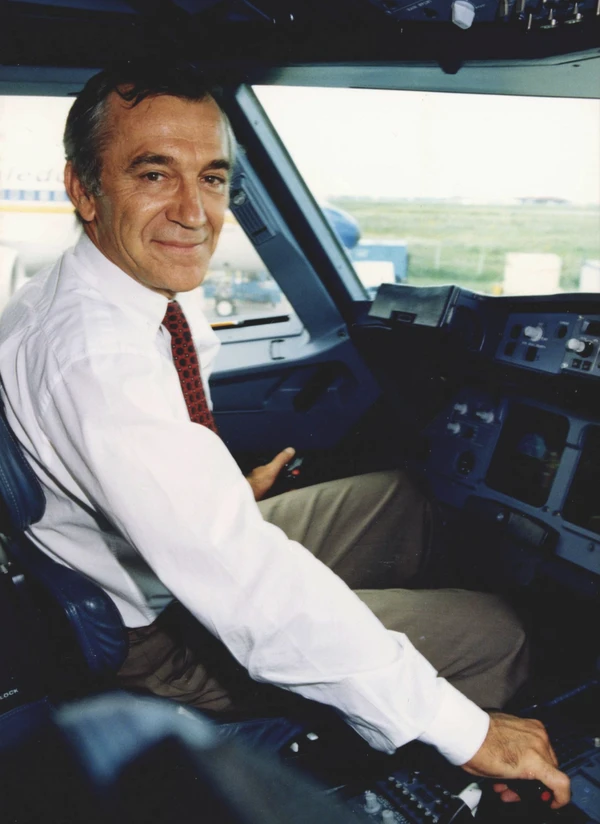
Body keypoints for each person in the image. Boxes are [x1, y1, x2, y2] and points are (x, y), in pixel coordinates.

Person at [0, 63, 569, 807]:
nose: (193, 211)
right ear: (84, 189)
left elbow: (144, 478)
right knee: (498, 632)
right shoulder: (97, 359)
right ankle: (428, 765)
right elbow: (246, 586)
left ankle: (386, 643)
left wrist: (215, 496)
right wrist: (462, 728)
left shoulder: (110, 290)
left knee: (406, 498)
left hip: (152, 566)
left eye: (211, 178)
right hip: (163, 632)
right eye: (152, 174)